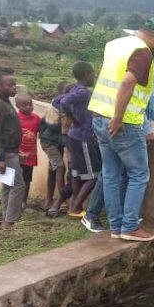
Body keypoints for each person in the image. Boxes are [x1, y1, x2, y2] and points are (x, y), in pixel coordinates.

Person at [88, 17, 154, 242]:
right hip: (123, 123)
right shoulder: (143, 53)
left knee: (111, 174)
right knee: (139, 175)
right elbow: (126, 83)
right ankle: (129, 226)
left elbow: (111, 79)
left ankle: (116, 227)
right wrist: (117, 118)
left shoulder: (115, 45)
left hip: (98, 116)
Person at [82, 92, 154, 233]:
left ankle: (117, 224)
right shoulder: (136, 71)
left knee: (113, 174)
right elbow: (133, 100)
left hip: (103, 119)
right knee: (135, 175)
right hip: (122, 122)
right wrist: (147, 128)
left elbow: (150, 100)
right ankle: (123, 224)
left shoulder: (113, 70)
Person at [56, 62, 99, 218]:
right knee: (94, 175)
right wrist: (74, 118)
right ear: (87, 74)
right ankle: (74, 208)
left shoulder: (74, 88)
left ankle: (76, 205)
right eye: (93, 74)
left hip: (74, 136)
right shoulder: (82, 92)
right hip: (83, 137)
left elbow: (58, 99)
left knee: (77, 173)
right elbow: (62, 102)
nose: (94, 76)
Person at [0, 70, 25, 227]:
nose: (14, 88)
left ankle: (6, 217)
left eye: (14, 84)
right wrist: (0, 159)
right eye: (10, 85)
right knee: (18, 185)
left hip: (12, 151)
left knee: (8, 186)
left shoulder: (5, 102)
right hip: (7, 154)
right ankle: (10, 220)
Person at [40, 81, 71, 216]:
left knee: (52, 169)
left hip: (56, 141)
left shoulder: (66, 105)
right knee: (60, 167)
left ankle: (49, 199)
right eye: (66, 92)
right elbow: (53, 126)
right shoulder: (56, 106)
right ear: (60, 93)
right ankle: (61, 201)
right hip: (49, 142)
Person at [15, 93, 40, 208]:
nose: (28, 107)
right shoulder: (15, 119)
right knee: (15, 179)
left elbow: (43, 130)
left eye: (30, 104)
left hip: (29, 156)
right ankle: (14, 200)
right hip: (16, 155)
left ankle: (23, 201)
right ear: (17, 106)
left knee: (27, 179)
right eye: (24, 105)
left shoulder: (36, 118)